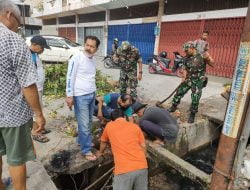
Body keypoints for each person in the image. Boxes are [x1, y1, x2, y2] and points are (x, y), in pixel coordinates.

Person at [0, 1, 46, 190]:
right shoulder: (13, 40)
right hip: (12, 114)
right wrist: (39, 114)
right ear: (9, 14)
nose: (19, 26)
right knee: (16, 158)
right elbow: (28, 84)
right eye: (19, 22)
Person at [66, 35, 100, 161]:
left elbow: (91, 77)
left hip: (91, 94)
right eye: (87, 45)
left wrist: (95, 93)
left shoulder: (93, 60)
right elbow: (70, 77)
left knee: (88, 121)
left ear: (96, 49)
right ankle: (86, 150)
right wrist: (69, 95)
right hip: (80, 96)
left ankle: (82, 140)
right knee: (85, 124)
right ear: (84, 44)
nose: (89, 48)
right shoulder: (77, 57)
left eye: (92, 46)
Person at [97, 109, 148, 190]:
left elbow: (103, 142)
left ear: (112, 120)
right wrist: (142, 159)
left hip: (123, 169)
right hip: (142, 166)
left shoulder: (109, 125)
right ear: (125, 117)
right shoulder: (135, 127)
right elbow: (143, 145)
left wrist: (100, 152)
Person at [169, 41, 214, 123]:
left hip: (198, 80)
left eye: (187, 50)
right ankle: (173, 106)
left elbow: (212, 64)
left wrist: (208, 58)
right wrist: (183, 78)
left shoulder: (202, 55)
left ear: (192, 48)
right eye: (185, 51)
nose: (185, 52)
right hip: (188, 79)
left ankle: (192, 114)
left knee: (195, 98)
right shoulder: (186, 58)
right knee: (179, 92)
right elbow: (185, 68)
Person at [29, 35, 51, 143]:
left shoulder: (35, 54)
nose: (43, 50)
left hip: (39, 88)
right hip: (34, 89)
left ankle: (40, 128)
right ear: (35, 45)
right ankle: (35, 133)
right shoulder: (29, 55)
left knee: (39, 109)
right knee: (35, 112)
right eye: (42, 48)